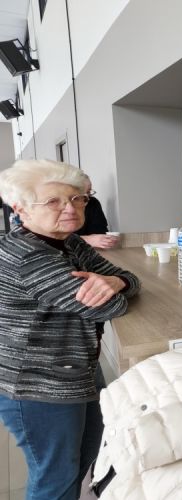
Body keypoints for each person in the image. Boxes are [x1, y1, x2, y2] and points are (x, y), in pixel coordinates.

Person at [0, 159, 141, 500]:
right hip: (39, 383)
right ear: (20, 209)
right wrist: (116, 288)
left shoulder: (69, 242)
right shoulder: (28, 255)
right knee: (56, 477)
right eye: (53, 201)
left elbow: (127, 279)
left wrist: (118, 282)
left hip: (76, 369)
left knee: (83, 459)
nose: (71, 208)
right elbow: (110, 306)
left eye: (78, 199)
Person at [76, 174, 119, 249]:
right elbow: (56, 240)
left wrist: (106, 240)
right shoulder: (59, 207)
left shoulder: (93, 202)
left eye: (89, 192)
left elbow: (100, 232)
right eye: (84, 193)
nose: (88, 197)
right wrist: (88, 240)